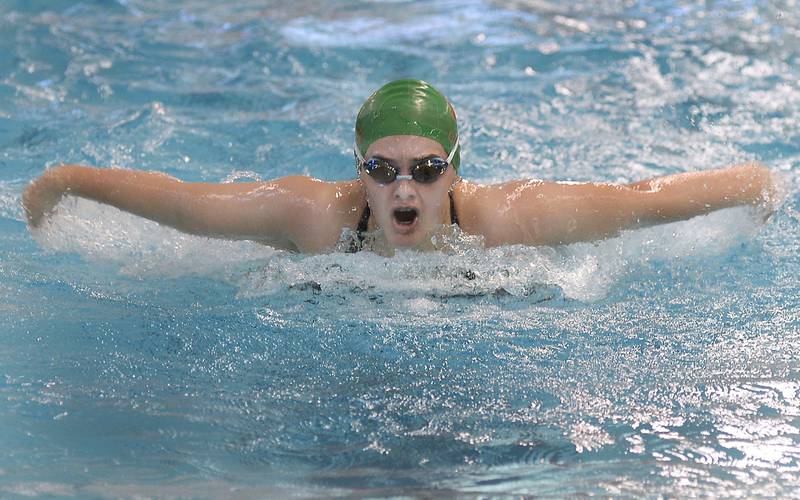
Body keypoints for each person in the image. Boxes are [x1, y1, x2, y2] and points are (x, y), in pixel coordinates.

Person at [22, 79, 777, 255]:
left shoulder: (514, 219)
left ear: (455, 172)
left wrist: (756, 185)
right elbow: (187, 203)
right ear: (358, 170)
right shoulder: (313, 214)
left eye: (425, 167)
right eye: (382, 171)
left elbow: (642, 199)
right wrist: (65, 179)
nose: (404, 187)